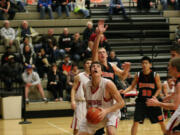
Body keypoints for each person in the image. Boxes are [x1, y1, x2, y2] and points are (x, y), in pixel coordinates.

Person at [92, 20, 131, 135]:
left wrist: (127, 69)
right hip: (99, 101)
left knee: (111, 131)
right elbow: (94, 50)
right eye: (100, 53)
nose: (102, 54)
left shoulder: (112, 66)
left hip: (112, 101)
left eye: (104, 52)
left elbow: (123, 77)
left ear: (107, 55)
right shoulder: (96, 66)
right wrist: (99, 35)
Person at [120, 56, 166, 135]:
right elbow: (132, 86)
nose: (144, 65)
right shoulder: (138, 75)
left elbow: (159, 88)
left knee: (161, 121)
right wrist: (124, 91)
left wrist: (154, 97)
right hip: (141, 102)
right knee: (136, 122)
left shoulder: (155, 75)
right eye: (143, 63)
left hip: (153, 102)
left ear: (150, 65)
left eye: (146, 63)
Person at [78, 61, 125, 135]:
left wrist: (106, 111)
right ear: (90, 72)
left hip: (111, 112)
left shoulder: (108, 84)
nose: (95, 67)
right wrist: (91, 114)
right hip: (97, 113)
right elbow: (88, 104)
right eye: (93, 66)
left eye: (98, 66)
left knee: (111, 132)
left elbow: (121, 103)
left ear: (102, 73)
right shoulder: (86, 86)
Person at [147, 57, 180, 135]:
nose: (168, 68)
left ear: (174, 68)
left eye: (169, 66)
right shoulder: (177, 81)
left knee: (168, 132)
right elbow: (175, 94)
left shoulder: (178, 84)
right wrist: (165, 98)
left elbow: (175, 106)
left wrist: (157, 103)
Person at [71, 59, 92, 135]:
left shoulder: (96, 76)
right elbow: (73, 89)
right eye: (87, 63)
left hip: (91, 104)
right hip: (81, 103)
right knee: (77, 126)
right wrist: (73, 101)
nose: (89, 64)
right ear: (84, 65)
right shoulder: (79, 76)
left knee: (90, 127)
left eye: (91, 63)